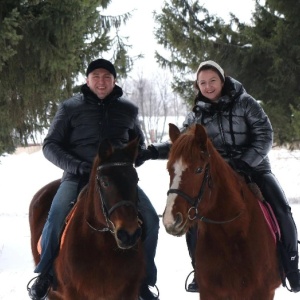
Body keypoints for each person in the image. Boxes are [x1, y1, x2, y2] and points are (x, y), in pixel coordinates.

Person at [139, 60, 300, 293]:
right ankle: (199, 269)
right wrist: (153, 151)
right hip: (214, 173)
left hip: (253, 168)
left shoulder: (246, 103)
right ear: (198, 86)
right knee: (193, 213)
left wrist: (243, 163)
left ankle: (291, 264)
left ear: (222, 80)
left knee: (281, 207)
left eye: (212, 80)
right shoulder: (197, 114)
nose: (208, 86)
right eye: (202, 82)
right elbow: (183, 142)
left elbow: (264, 135)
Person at [27, 58, 160, 300]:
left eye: (107, 77)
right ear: (87, 80)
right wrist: (77, 166)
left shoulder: (128, 110)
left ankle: (144, 280)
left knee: (150, 218)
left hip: (117, 180)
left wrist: (154, 152)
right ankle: (45, 274)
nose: (101, 81)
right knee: (56, 215)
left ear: (114, 81)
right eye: (96, 76)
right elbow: (50, 145)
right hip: (78, 177)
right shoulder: (69, 108)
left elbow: (136, 147)